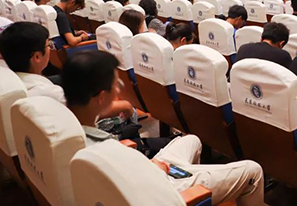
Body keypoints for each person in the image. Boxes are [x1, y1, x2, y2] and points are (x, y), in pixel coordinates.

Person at [62, 51, 264, 206]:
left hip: (146, 170)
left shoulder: (65, 123)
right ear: (100, 97)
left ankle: (198, 185)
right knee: (253, 170)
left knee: (191, 139)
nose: (119, 89)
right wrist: (156, 170)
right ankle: (196, 192)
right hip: (159, 186)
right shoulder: (105, 149)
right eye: (115, 85)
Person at [0, 22, 65, 103]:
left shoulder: (0, 82)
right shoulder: (54, 94)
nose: (50, 49)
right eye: (49, 45)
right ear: (37, 56)